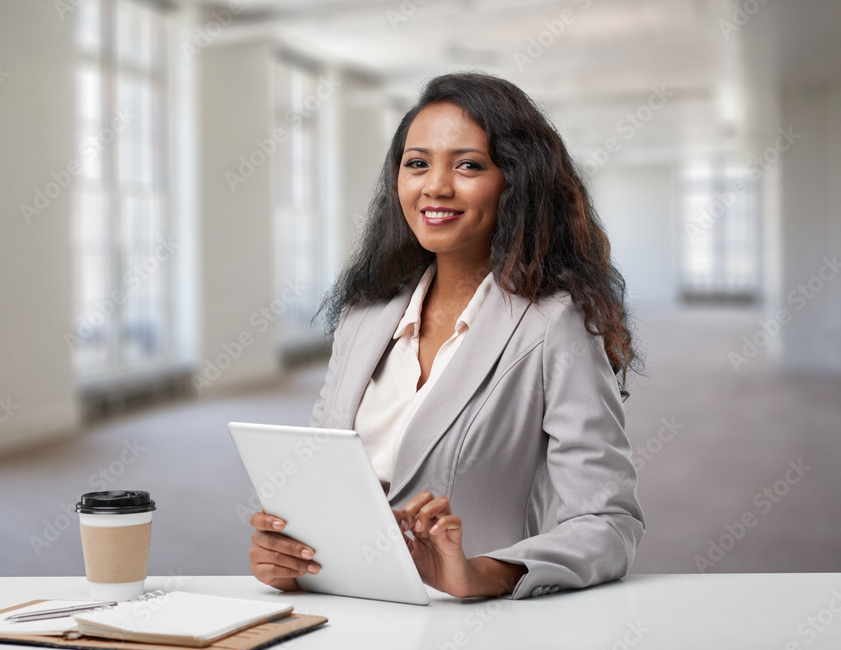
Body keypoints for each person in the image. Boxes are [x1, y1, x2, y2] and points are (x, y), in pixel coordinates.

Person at [248, 71, 646, 600]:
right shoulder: (365, 315)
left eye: (468, 165)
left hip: (469, 625)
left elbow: (608, 523)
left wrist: (484, 572)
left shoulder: (554, 324)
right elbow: (318, 484)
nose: (435, 186)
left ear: (516, 180)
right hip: (343, 615)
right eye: (417, 164)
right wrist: (285, 555)